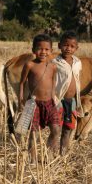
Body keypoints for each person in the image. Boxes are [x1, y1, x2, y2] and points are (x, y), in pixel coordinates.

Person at [19, 34, 58, 163]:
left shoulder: (53, 66)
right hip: (33, 103)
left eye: (47, 49)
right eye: (40, 48)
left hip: (50, 103)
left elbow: (53, 83)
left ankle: (48, 155)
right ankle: (33, 160)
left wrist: (54, 99)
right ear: (33, 50)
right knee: (33, 133)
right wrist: (21, 100)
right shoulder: (30, 65)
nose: (43, 52)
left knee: (56, 130)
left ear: (51, 51)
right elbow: (22, 83)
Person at [52, 31, 82, 155]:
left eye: (72, 46)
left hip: (72, 101)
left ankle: (62, 154)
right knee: (56, 129)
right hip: (58, 100)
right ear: (59, 45)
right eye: (65, 45)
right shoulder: (55, 62)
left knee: (68, 128)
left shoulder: (77, 62)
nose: (68, 48)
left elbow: (77, 80)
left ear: (76, 48)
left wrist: (78, 100)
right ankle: (50, 154)